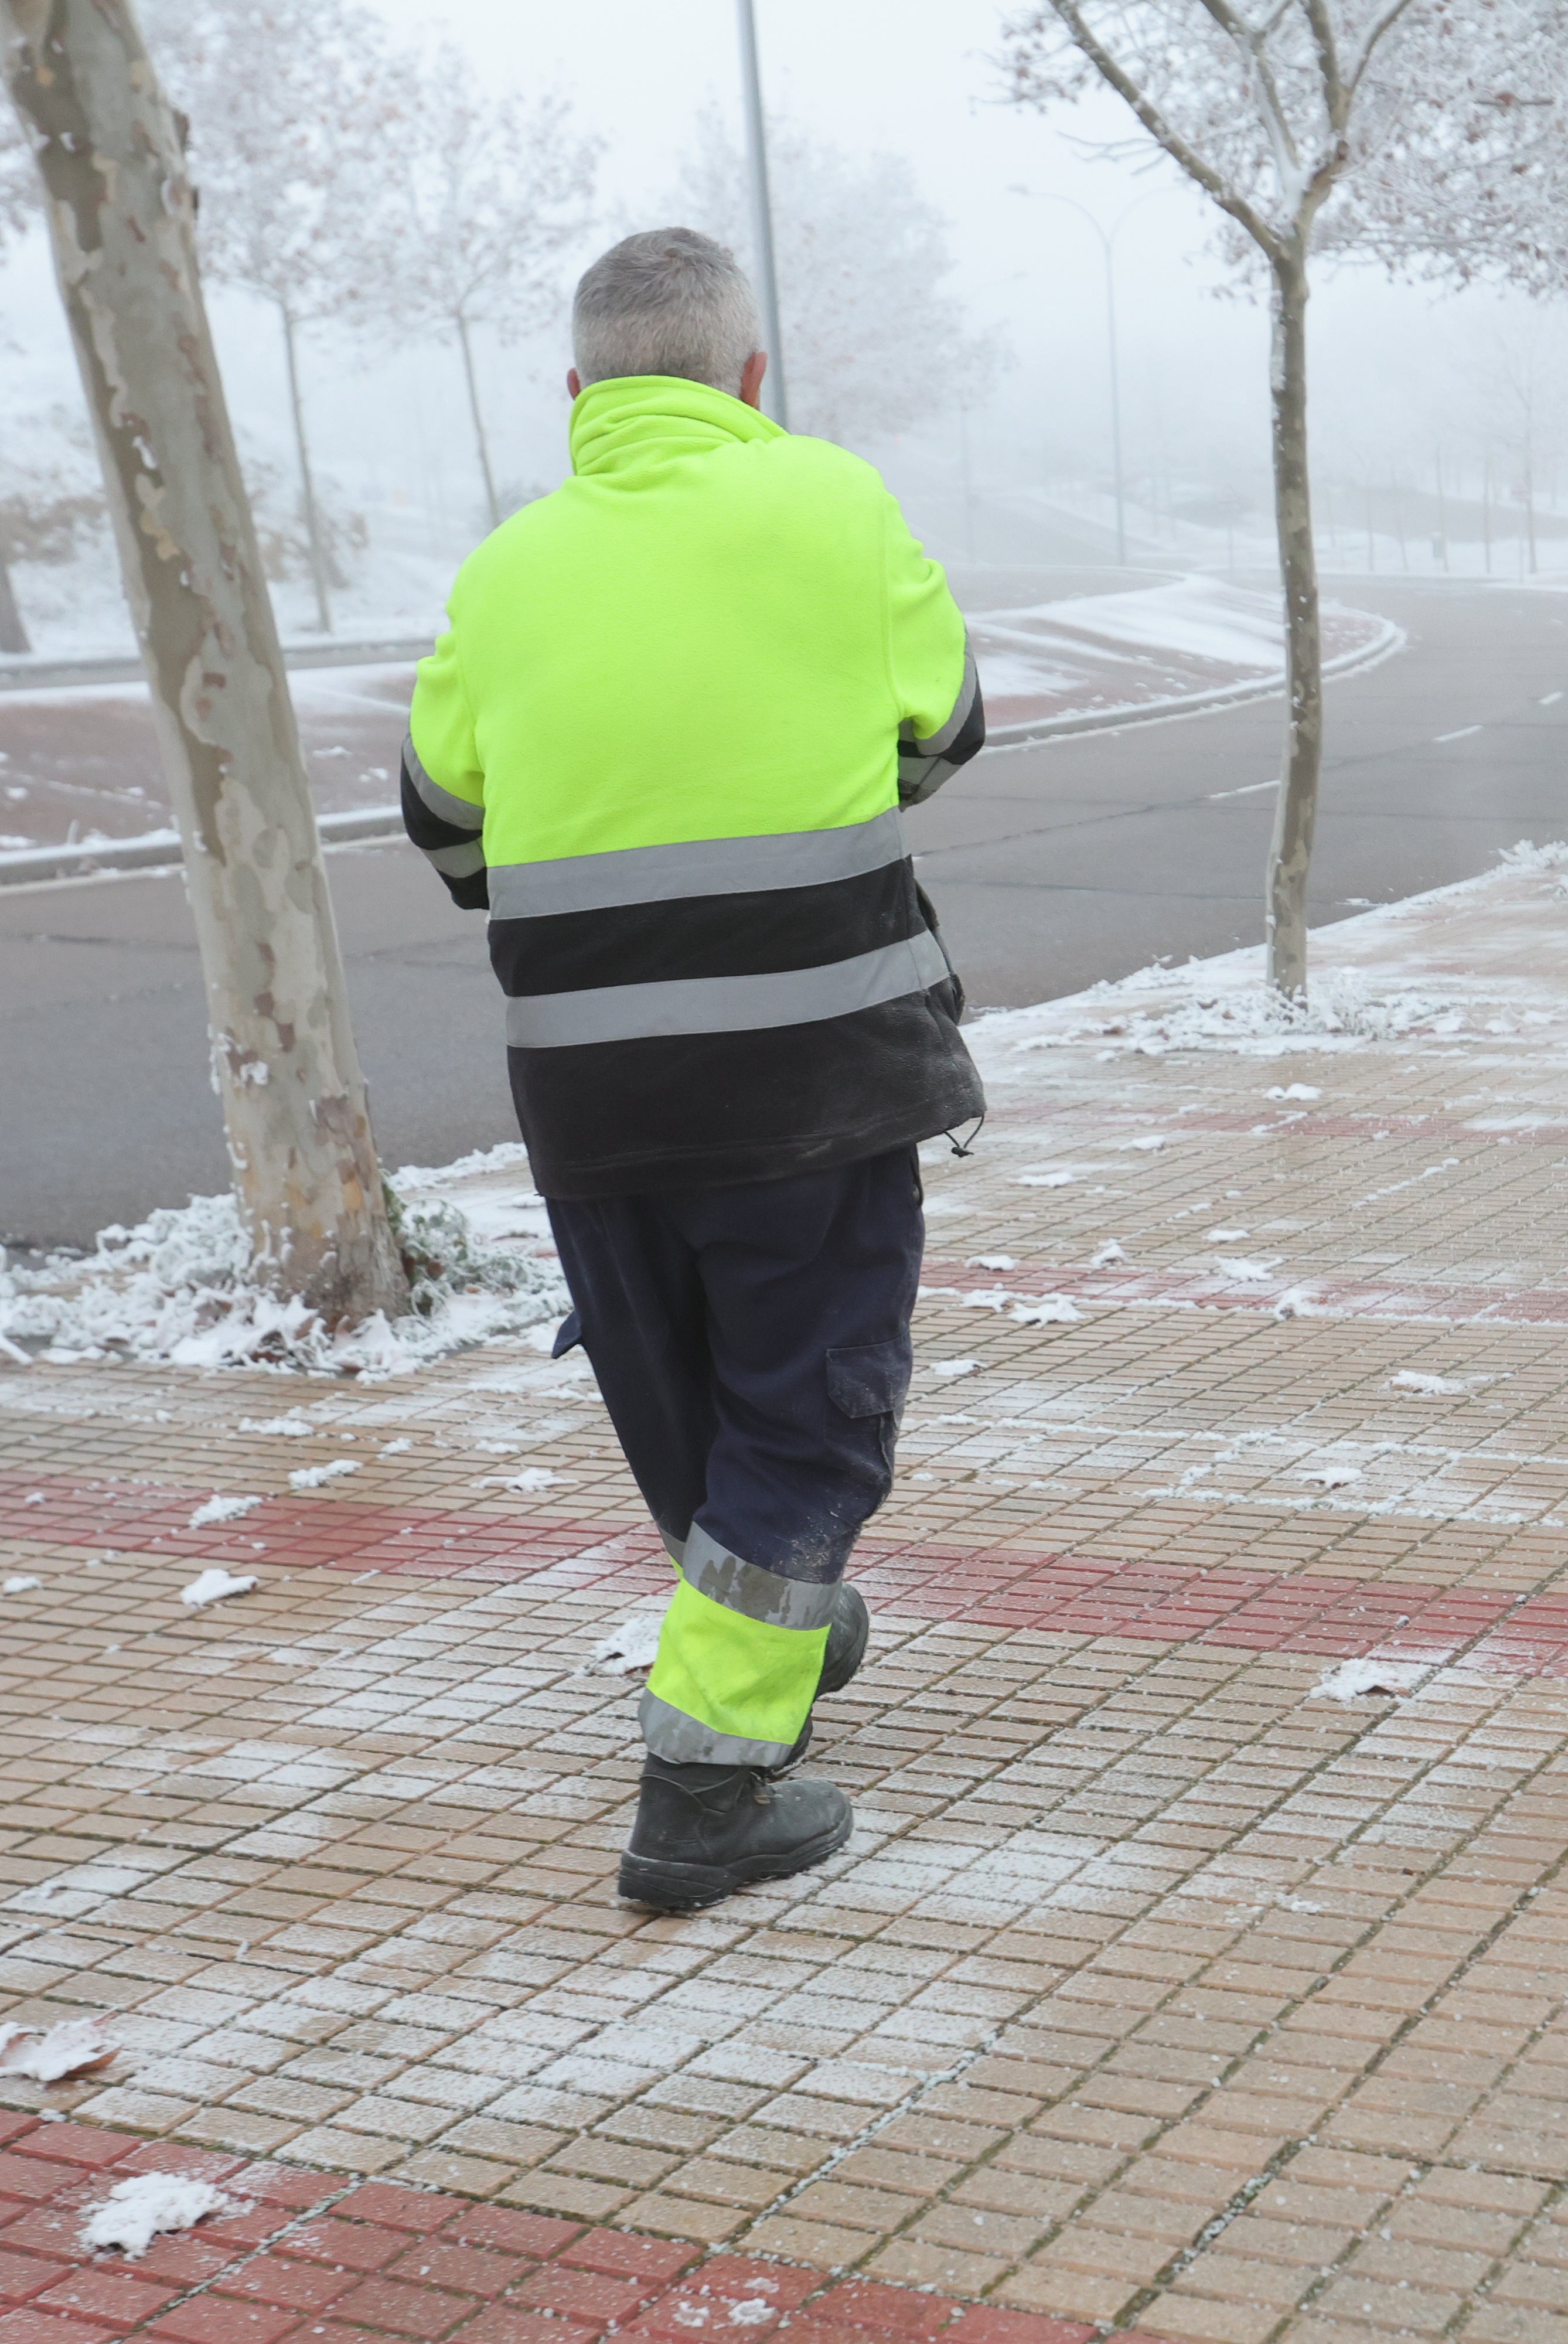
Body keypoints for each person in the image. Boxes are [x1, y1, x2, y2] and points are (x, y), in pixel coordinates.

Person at [396, 227, 986, 1913]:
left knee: (685, 1401)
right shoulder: (834, 506)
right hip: (811, 1077)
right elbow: (942, 728)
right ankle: (706, 1794)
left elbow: (445, 818)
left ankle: (770, 1622)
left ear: (577, 393)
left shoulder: (508, 569)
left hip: (587, 1092)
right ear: (751, 378)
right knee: (805, 1426)